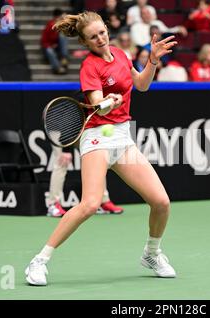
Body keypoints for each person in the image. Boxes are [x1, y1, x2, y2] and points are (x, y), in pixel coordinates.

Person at [25, 11, 178, 286]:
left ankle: (152, 254)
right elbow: (97, 102)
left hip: (122, 137)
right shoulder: (90, 67)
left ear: (107, 29)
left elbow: (141, 85)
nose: (100, 39)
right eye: (93, 37)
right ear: (85, 41)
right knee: (90, 204)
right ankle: (39, 261)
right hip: (97, 137)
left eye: (102, 33)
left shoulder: (120, 54)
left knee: (161, 202)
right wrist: (110, 101)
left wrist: (152, 61)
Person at [46, 144, 124, 217]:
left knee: (96, 160)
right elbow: (64, 129)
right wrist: (66, 150)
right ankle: (53, 205)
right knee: (62, 161)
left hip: (82, 130)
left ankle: (102, 202)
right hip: (61, 131)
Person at [41, 9, 69, 75]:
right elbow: (43, 41)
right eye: (62, 18)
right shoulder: (50, 26)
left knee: (62, 35)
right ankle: (57, 68)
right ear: (57, 17)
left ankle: (63, 58)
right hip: (48, 47)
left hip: (57, 47)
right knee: (49, 51)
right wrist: (51, 45)